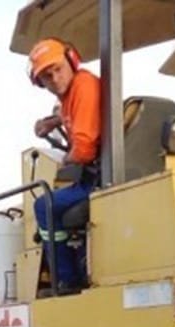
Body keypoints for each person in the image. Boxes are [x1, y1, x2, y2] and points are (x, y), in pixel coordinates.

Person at [28, 37, 101, 294]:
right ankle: (78, 260)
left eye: (58, 69)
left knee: (44, 204)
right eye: (47, 77)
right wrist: (51, 121)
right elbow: (69, 113)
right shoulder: (73, 93)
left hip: (100, 180)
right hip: (97, 176)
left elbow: (83, 150)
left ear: (72, 61)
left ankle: (67, 279)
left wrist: (66, 160)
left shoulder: (84, 86)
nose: (55, 79)